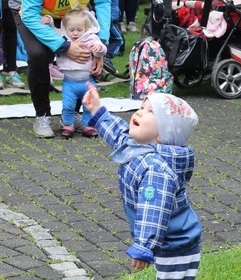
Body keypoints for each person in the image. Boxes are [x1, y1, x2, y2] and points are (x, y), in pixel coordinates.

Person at [83, 84, 201, 279]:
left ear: (162, 135)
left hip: (175, 244)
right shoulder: (138, 146)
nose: (138, 113)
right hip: (166, 239)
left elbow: (153, 210)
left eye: (149, 112)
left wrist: (144, 247)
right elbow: (118, 135)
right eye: (141, 107)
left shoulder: (156, 169)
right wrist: (97, 109)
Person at [14, 0, 110, 138]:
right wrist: (64, 46)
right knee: (40, 54)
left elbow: (102, 1)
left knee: (85, 49)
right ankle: (42, 115)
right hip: (35, 13)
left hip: (70, 11)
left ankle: (73, 113)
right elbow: (30, 14)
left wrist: (101, 44)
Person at [42, 10, 105, 138]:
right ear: (65, 28)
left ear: (86, 28)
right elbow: (54, 31)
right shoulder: (63, 38)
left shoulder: (90, 37)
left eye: (79, 30)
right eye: (71, 30)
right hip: (69, 82)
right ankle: (67, 125)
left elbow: (101, 48)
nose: (75, 33)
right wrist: (49, 20)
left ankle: (88, 126)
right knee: (68, 106)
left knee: (89, 106)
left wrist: (99, 50)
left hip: (87, 81)